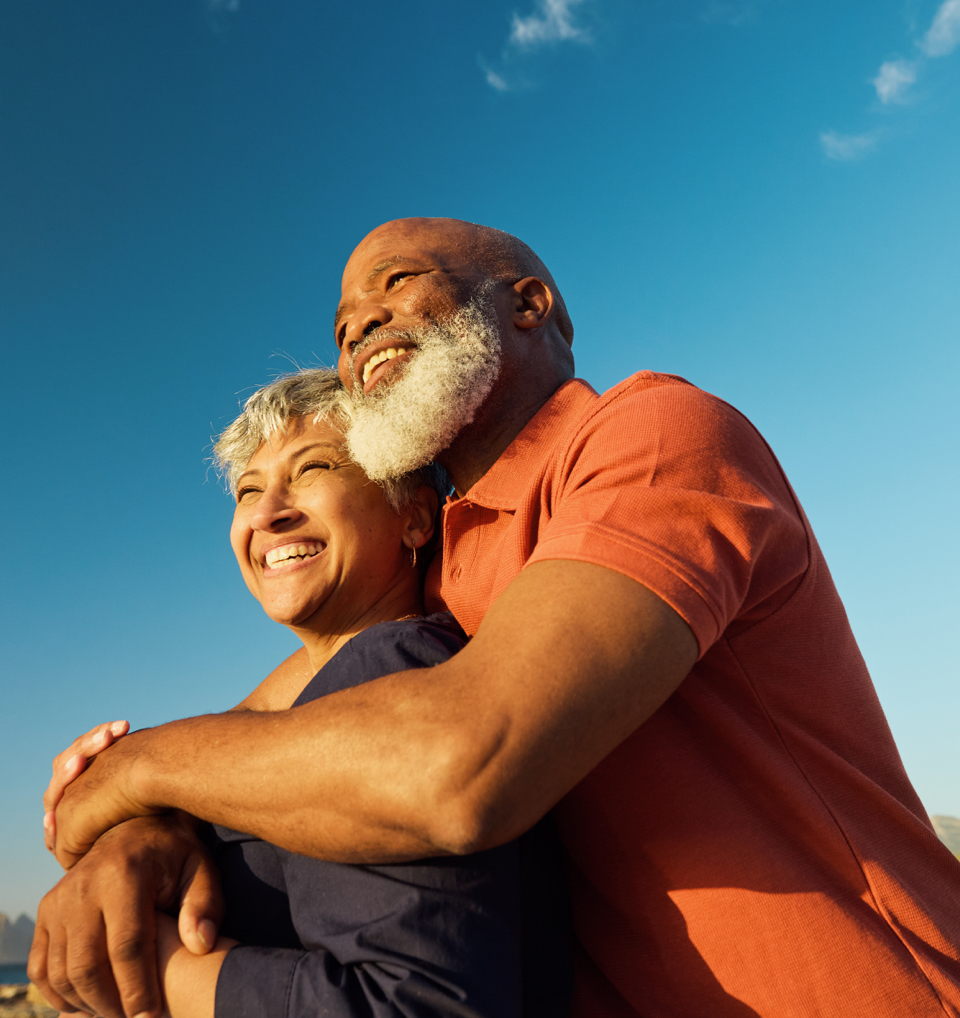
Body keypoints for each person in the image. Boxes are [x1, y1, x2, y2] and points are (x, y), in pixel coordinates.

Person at [33, 218, 960, 1018]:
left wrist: (138, 773)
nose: (359, 327)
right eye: (345, 325)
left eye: (397, 285)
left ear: (529, 305)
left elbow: (467, 765)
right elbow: (276, 718)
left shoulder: (651, 436)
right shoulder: (441, 564)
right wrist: (141, 828)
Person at [31, 367, 572, 1018]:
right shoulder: (314, 697)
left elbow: (413, 1005)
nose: (267, 512)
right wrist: (145, 818)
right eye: (247, 490)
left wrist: (155, 968)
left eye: (312, 469)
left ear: (415, 518)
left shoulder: (392, 667)